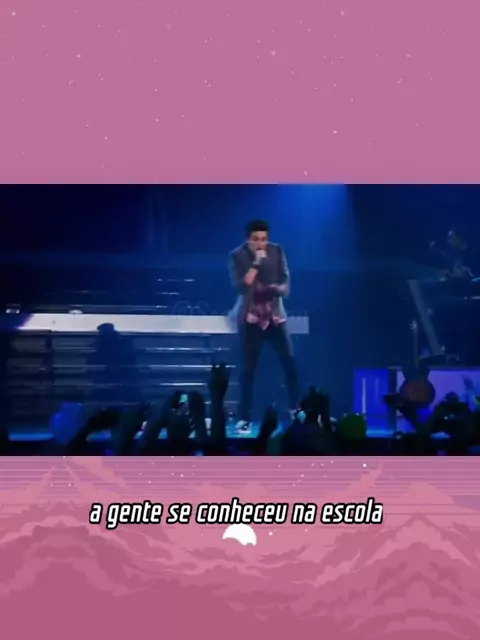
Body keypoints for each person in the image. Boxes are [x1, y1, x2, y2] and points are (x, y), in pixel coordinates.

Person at [229, 220, 300, 432]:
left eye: (264, 239)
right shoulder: (237, 255)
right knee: (248, 369)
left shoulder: (277, 251)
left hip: (275, 315)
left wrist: (277, 288)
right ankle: (244, 416)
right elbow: (241, 287)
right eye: (256, 239)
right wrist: (256, 264)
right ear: (248, 240)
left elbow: (286, 283)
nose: (261, 244)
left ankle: (298, 408)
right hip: (251, 317)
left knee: (290, 362)